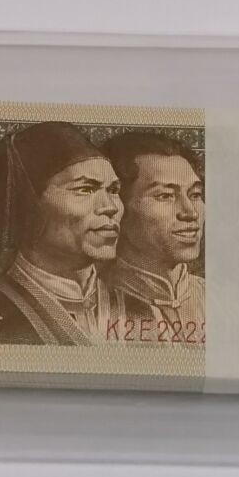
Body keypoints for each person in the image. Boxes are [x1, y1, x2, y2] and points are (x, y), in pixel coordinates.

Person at [0, 121, 124, 345]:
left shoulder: (147, 307)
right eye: (85, 189)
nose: (111, 206)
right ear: (28, 204)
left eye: (114, 190)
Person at [100, 132, 205, 342]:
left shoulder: (230, 305)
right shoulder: (93, 308)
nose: (190, 212)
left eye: (195, 195)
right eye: (165, 196)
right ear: (118, 207)